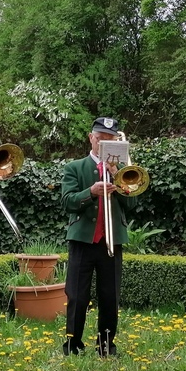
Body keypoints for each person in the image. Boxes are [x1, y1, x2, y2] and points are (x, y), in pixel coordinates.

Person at [61, 117, 137, 356]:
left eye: (110, 139)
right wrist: (91, 192)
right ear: (91, 138)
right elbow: (67, 202)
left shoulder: (123, 170)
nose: (104, 142)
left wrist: (118, 176)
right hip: (83, 240)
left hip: (111, 241)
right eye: (101, 137)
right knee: (76, 296)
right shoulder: (75, 167)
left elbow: (132, 204)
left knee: (109, 296)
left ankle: (106, 344)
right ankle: (73, 343)